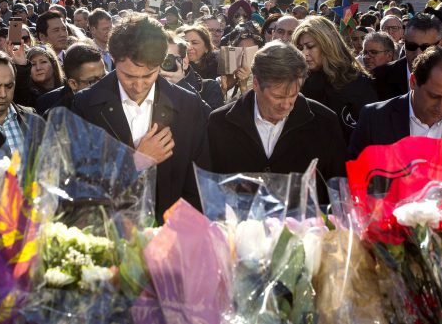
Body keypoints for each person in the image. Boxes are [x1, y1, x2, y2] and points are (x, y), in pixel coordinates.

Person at [72, 12, 209, 220]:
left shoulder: (188, 105)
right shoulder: (85, 105)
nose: (138, 85)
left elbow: (198, 184)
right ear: (112, 59)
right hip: (108, 231)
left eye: (149, 75)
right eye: (128, 76)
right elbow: (78, 182)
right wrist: (136, 162)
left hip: (170, 235)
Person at [208, 41, 347, 205]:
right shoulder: (220, 123)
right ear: (256, 83)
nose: (286, 104)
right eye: (278, 96)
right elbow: (211, 189)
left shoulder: (324, 122)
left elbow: (339, 190)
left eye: (293, 95)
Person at [349, 46, 442, 159]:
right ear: (413, 82)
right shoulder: (374, 118)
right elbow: (354, 176)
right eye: (434, 96)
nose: (441, 107)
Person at [292, 16, 378, 142]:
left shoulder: (357, 82)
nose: (304, 53)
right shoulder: (297, 82)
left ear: (328, 45)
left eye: (310, 46)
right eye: (300, 48)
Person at [373, 12, 442, 101]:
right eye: (411, 46)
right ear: (404, 41)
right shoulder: (379, 77)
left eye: (425, 48)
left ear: (439, 45)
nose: (418, 54)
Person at [36, 42, 106, 116]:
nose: (103, 85)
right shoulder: (54, 115)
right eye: (93, 81)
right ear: (73, 84)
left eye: (105, 77)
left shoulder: (115, 95)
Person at [160, 33, 224, 111]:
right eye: (159, 59)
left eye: (168, 59)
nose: (163, 64)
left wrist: (182, 85)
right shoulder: (150, 86)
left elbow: (211, 120)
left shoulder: (209, 87)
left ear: (185, 62)